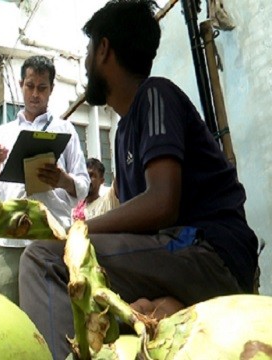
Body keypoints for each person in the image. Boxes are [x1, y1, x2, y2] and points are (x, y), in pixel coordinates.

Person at [18, 1, 259, 359]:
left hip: (209, 251)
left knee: (43, 260)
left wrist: (80, 231)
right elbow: (137, 237)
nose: (85, 65)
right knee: (137, 309)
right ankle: (167, 305)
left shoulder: (154, 95)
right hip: (177, 255)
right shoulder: (123, 131)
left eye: (88, 52)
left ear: (103, 50)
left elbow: (162, 204)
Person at [0, 55, 89, 305]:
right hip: (10, 240)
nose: (35, 94)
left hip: (52, 238)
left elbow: (83, 186)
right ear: (21, 85)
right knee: (5, 315)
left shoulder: (65, 130)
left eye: (42, 88)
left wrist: (62, 180)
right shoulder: (4, 132)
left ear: (51, 90)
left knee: (55, 313)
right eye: (30, 86)